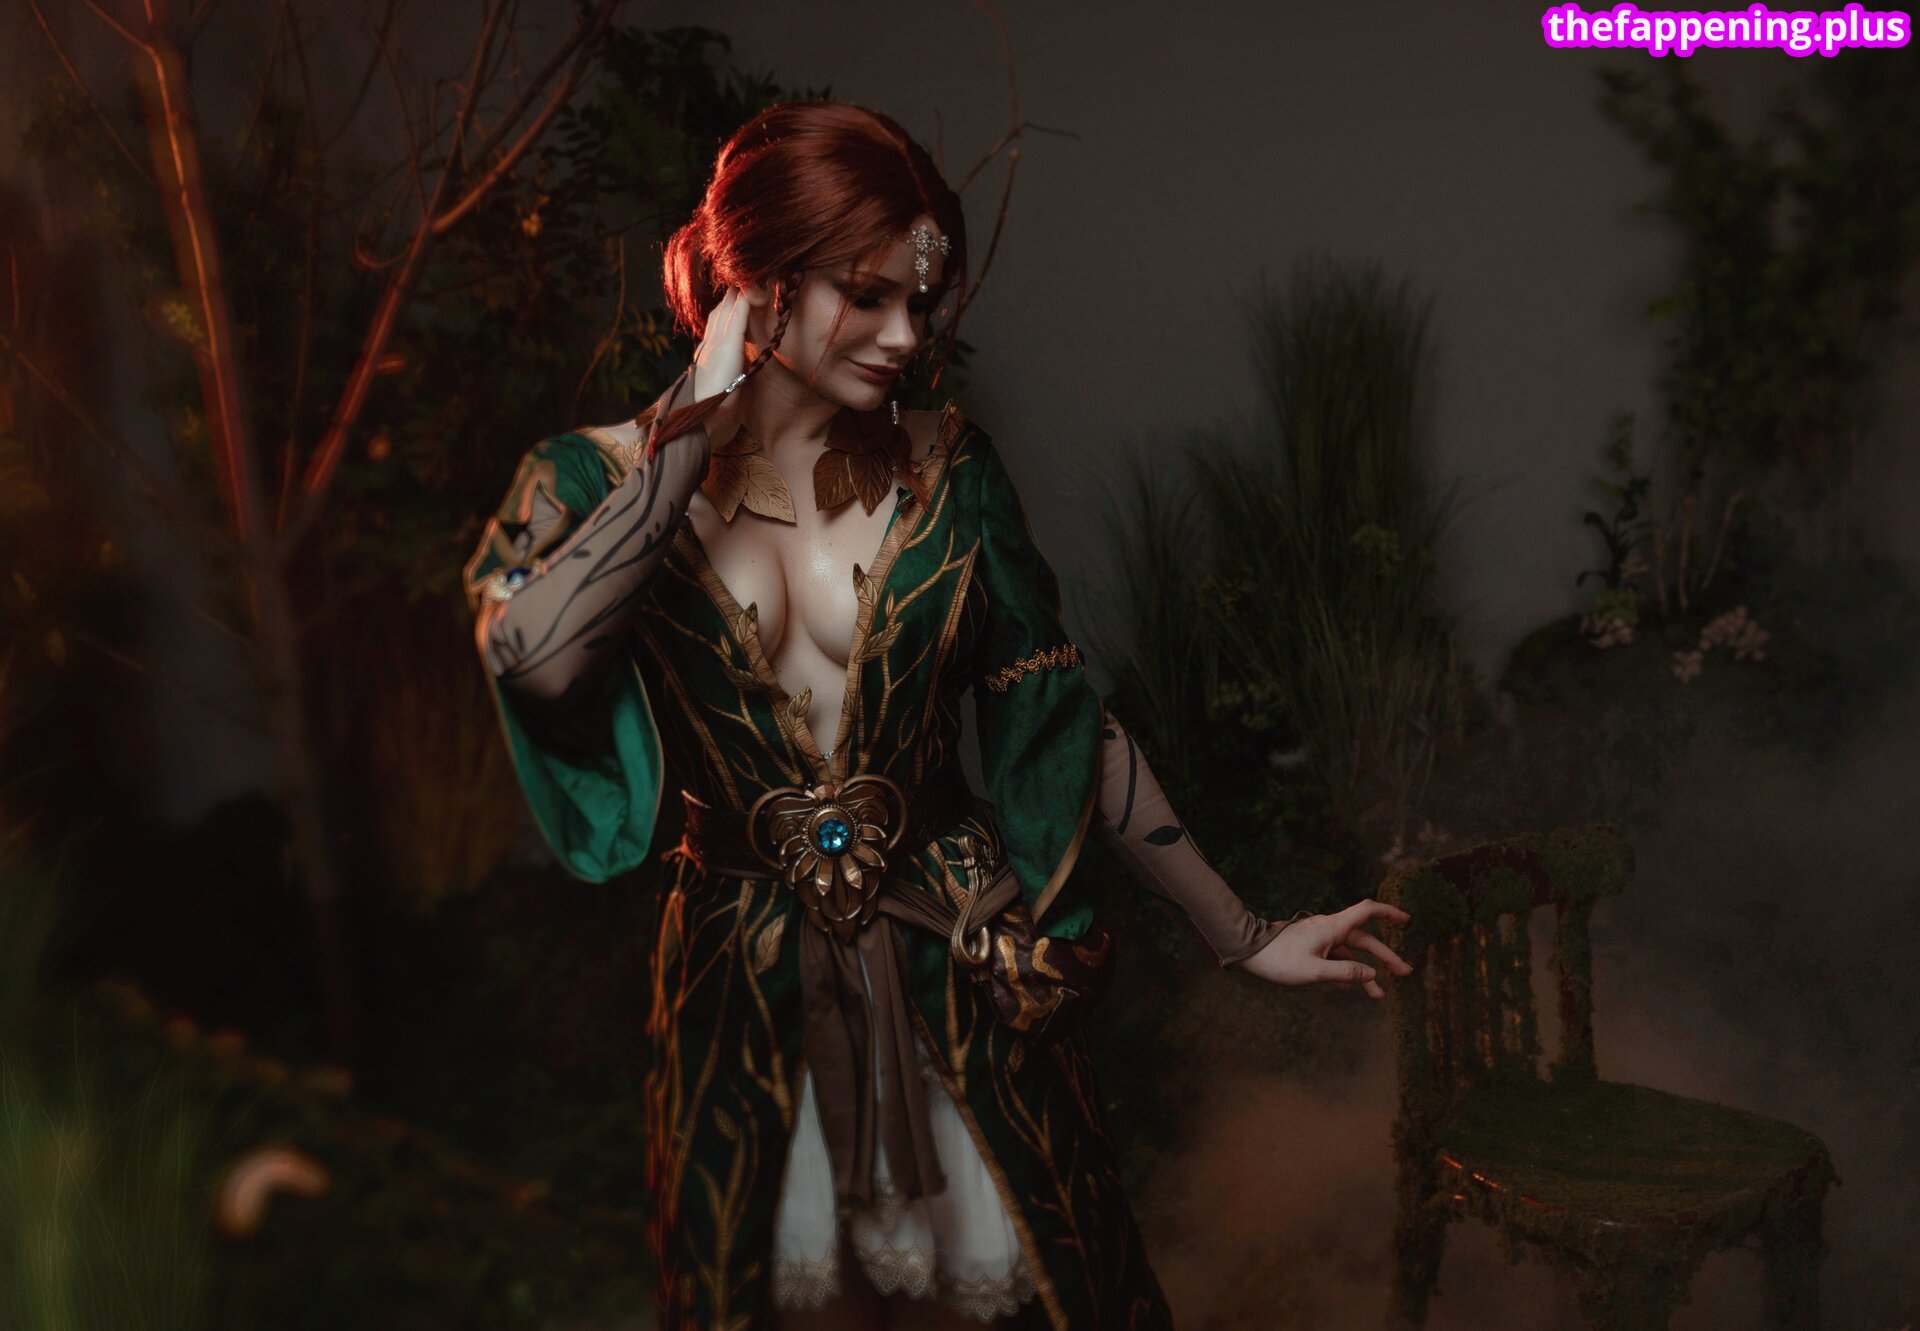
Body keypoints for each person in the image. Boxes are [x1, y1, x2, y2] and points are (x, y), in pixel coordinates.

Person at [464, 101, 1411, 1331]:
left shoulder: (950, 468)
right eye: (866, 296)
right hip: (744, 979)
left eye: (920, 301)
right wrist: (687, 440)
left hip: (960, 954)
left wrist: (1244, 933)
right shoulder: (589, 478)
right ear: (757, 283)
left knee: (1025, 1290)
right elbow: (533, 662)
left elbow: (1060, 719)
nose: (906, 336)